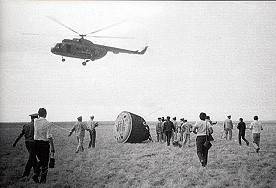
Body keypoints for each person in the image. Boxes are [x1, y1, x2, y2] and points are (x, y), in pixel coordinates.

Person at [12, 113, 39, 179]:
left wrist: (15, 142)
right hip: (34, 143)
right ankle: (25, 174)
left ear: (31, 118)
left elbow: (21, 135)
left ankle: (37, 171)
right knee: (31, 158)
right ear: (36, 118)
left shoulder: (26, 125)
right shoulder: (37, 126)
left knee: (33, 157)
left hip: (27, 143)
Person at [32, 108, 55, 184]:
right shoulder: (48, 123)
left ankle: (36, 174)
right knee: (45, 163)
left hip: (35, 144)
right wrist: (52, 147)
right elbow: (49, 136)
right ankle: (42, 180)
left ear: (38, 114)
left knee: (41, 161)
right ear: (46, 114)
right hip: (44, 144)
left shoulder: (35, 121)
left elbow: (36, 118)